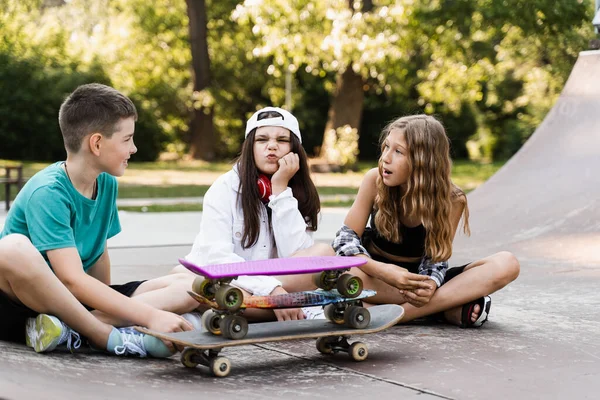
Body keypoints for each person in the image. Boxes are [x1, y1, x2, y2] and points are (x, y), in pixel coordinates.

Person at [0, 83, 199, 357]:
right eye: (127, 139)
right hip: (23, 307)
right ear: (96, 143)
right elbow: (72, 281)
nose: (134, 148)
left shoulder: (105, 182)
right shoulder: (48, 192)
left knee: (190, 284)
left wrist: (107, 307)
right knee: (11, 248)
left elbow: (98, 257)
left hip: (72, 306)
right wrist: (150, 315)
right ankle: (103, 336)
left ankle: (73, 331)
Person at [281, 114, 520, 327]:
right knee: (335, 272)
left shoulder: (452, 199)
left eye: (398, 152)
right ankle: (443, 308)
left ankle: (400, 314)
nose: (385, 158)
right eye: (386, 147)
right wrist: (383, 271)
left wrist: (430, 286)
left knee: (507, 263)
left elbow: (436, 260)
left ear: (423, 161)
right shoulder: (374, 181)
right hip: (372, 276)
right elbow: (345, 239)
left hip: (414, 283)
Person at [171, 107, 333, 321]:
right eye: (262, 139)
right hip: (226, 282)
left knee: (324, 252)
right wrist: (272, 290)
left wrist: (281, 190)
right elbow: (219, 259)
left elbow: (295, 258)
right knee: (216, 291)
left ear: (294, 150)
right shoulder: (224, 188)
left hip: (265, 290)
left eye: (282, 140)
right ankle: (279, 307)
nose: (272, 146)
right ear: (250, 147)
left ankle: (270, 307)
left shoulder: (298, 192)